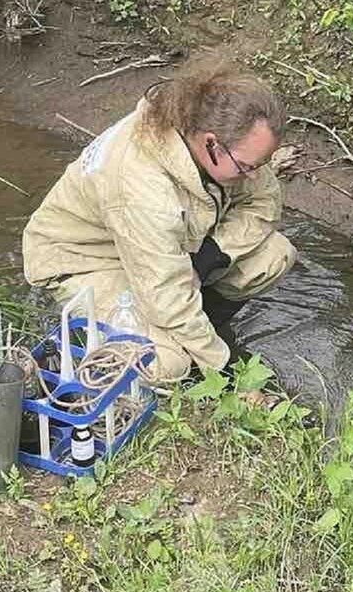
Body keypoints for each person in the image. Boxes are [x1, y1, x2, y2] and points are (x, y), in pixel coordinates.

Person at [22, 60, 296, 379]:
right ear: (211, 144)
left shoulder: (206, 133)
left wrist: (214, 254)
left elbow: (264, 199)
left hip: (153, 248)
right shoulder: (141, 188)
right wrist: (226, 371)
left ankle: (200, 330)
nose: (255, 173)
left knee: (273, 255)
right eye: (248, 166)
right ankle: (89, 337)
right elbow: (167, 296)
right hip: (88, 260)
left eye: (261, 163)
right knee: (168, 364)